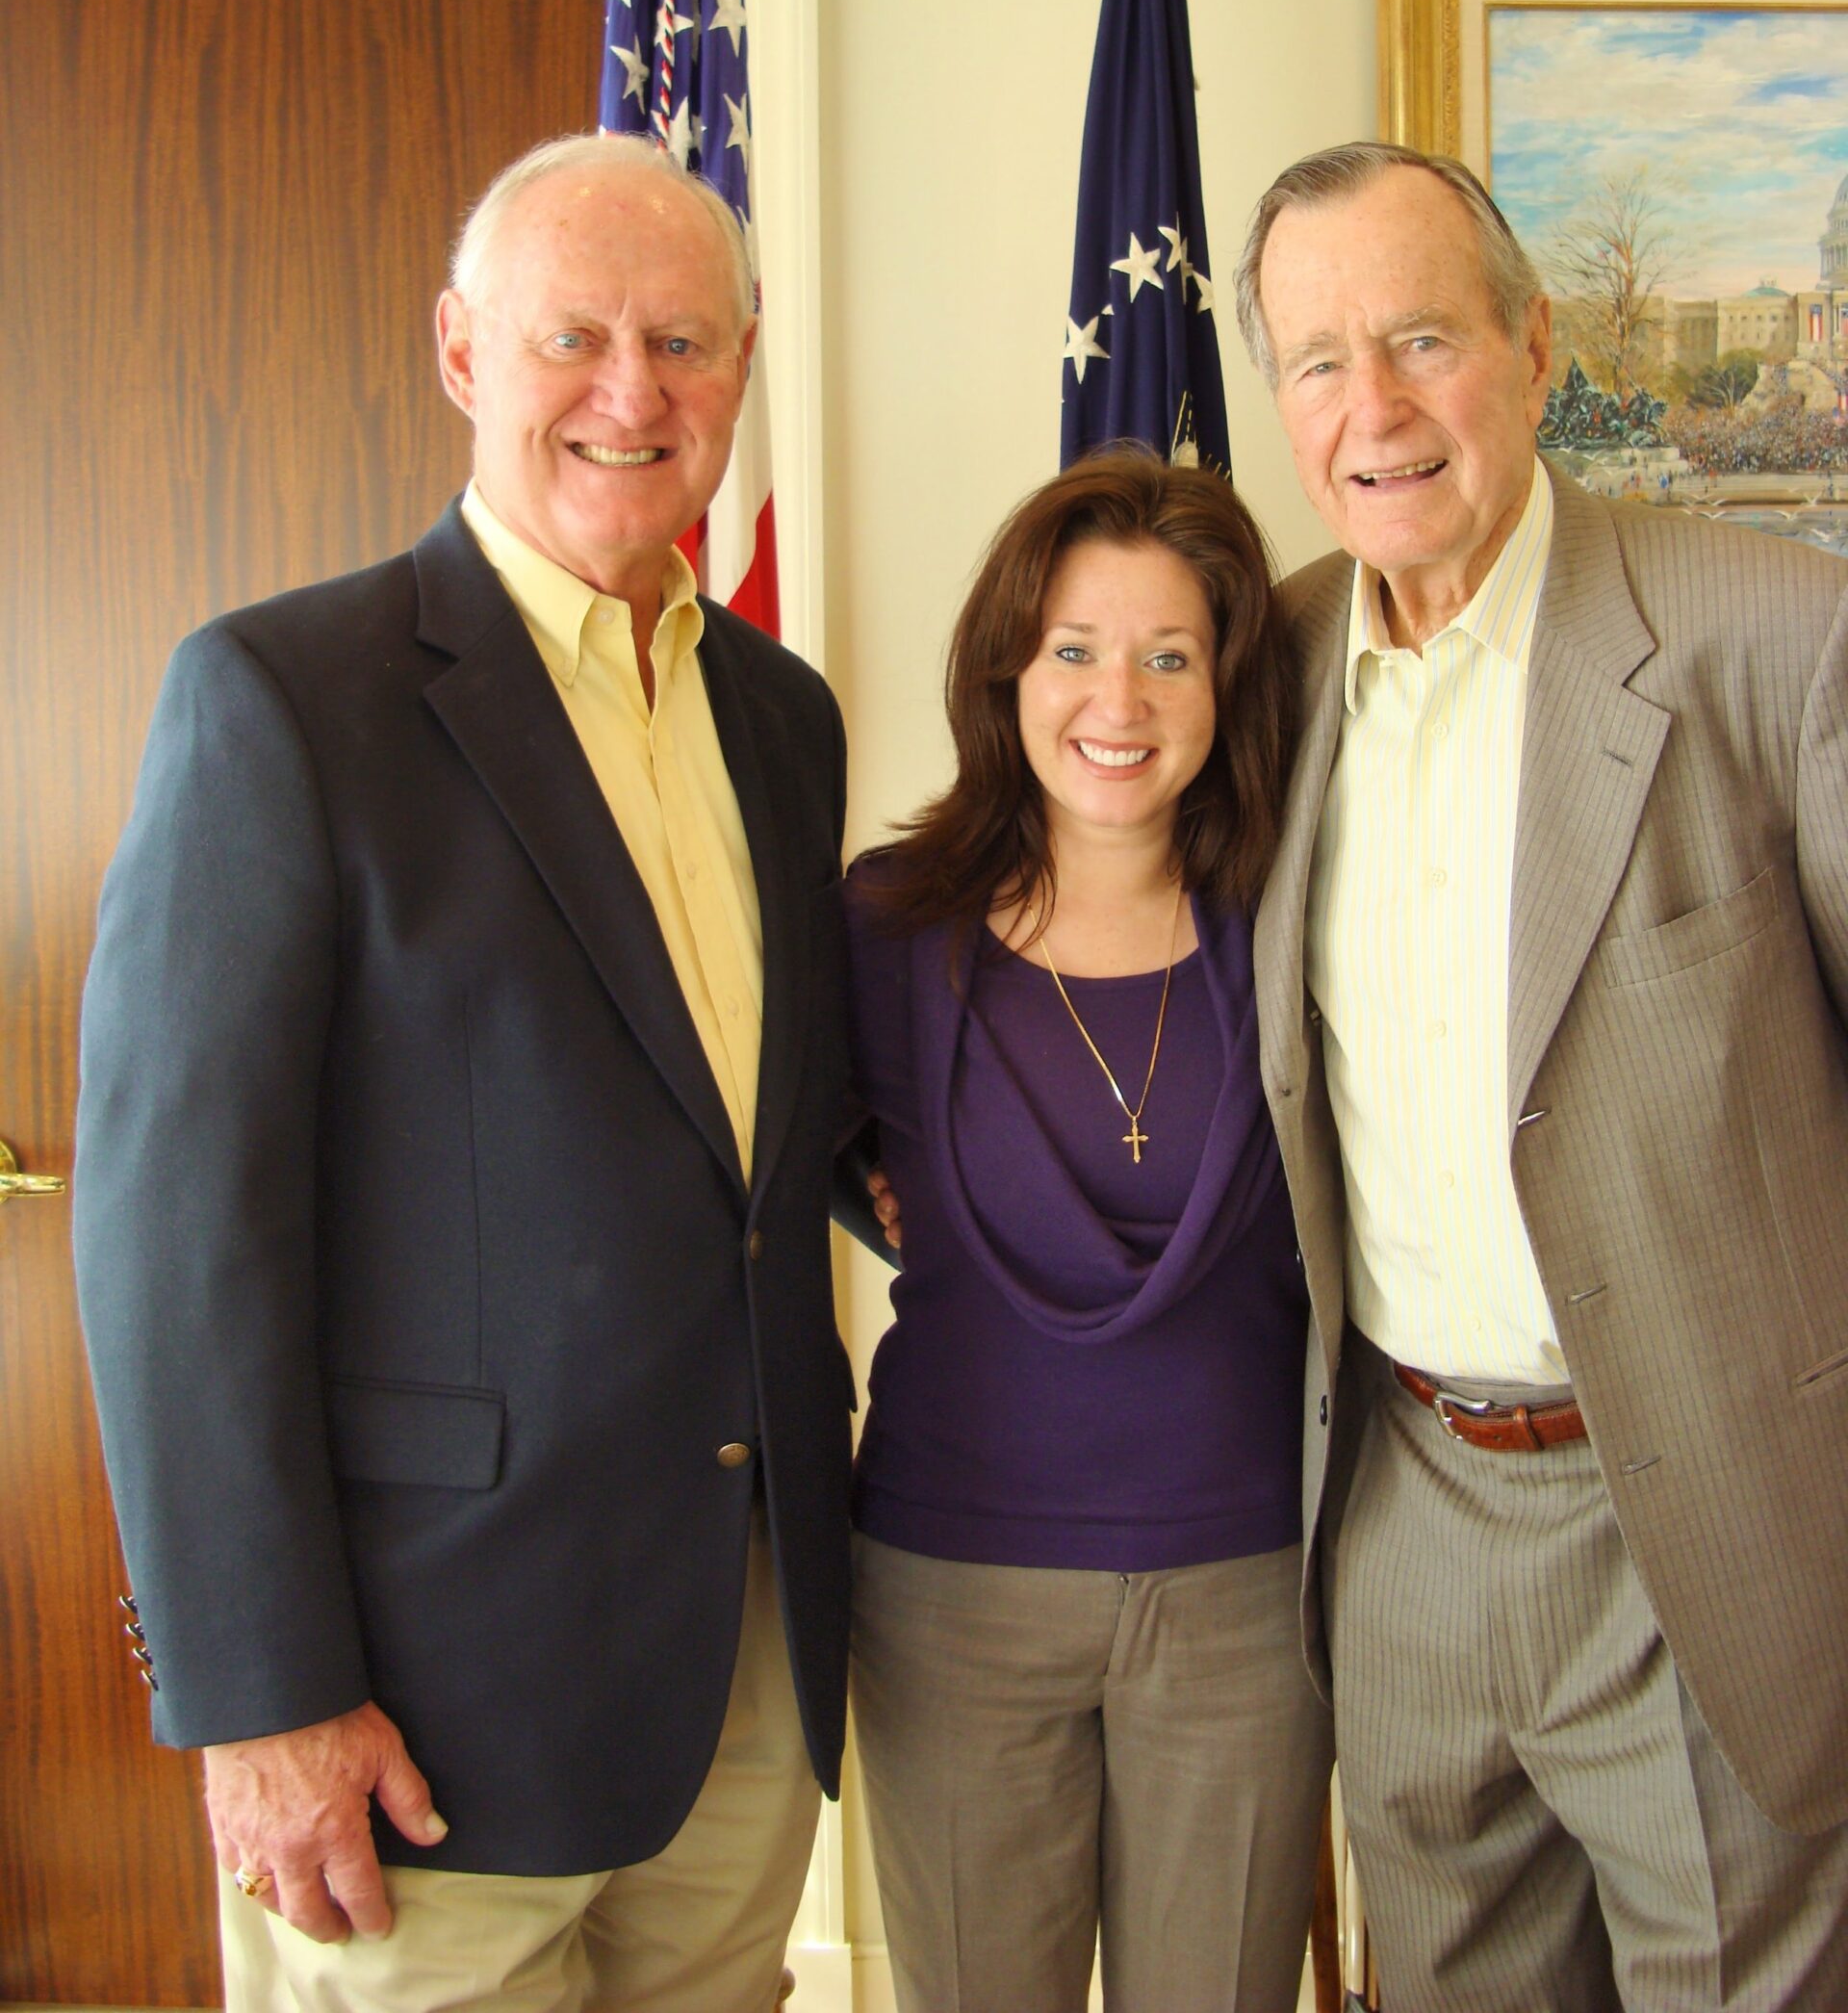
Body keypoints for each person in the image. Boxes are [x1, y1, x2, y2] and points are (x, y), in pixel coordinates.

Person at [74, 133, 865, 2013]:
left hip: (744, 1668)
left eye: (682, 340)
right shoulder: (283, 696)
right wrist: (260, 1694)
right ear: (458, 350)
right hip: (419, 1712)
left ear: (743, 368)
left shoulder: (782, 714)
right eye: (570, 335)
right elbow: (179, 1236)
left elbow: (761, 1122)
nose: (631, 390)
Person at [1235, 140, 1848, 2011]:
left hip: (1705, 1522)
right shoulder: (1254, 673)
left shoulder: (1773, 635)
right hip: (1401, 1508)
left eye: (1423, 336)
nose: (1377, 407)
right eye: (1320, 357)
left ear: (1530, 340)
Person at [844, 447, 1334, 2013]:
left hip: (1247, 1584)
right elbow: (801, 1152)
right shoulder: (885, 922)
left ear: (1224, 683)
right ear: (1010, 667)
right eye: (1074, 648)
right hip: (952, 1581)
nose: (1115, 699)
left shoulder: (1301, 915)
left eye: (1167, 655)